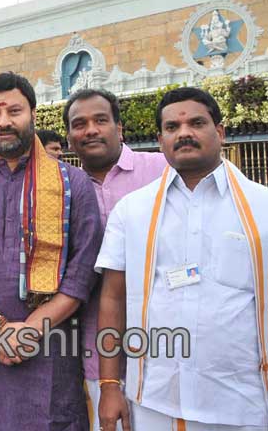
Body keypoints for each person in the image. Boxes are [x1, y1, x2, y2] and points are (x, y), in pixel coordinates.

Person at [0, 72, 102, 431]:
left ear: (33, 115)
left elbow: (82, 271)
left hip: (49, 344)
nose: (4, 122)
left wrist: (30, 330)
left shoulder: (73, 185)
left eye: (14, 111)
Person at [96, 87, 268, 431]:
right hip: (155, 400)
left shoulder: (262, 207)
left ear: (219, 132)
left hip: (240, 401)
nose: (184, 133)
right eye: (172, 127)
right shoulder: (132, 210)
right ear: (160, 139)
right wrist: (110, 386)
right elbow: (112, 298)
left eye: (196, 123)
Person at [63, 88, 167, 431]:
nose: (90, 129)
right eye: (80, 124)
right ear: (69, 136)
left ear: (119, 128)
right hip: (96, 350)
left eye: (100, 120)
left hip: (166, 346)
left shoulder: (162, 171)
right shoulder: (64, 189)